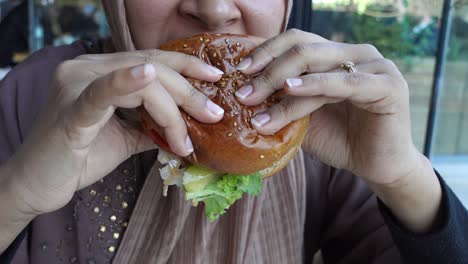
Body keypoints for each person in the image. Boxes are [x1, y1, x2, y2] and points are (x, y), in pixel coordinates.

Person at [0, 0, 467, 263]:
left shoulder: (319, 115)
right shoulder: (41, 94)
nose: (214, 11)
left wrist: (403, 176)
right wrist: (16, 195)